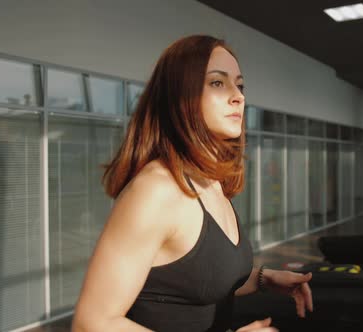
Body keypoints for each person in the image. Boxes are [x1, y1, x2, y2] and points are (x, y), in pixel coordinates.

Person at [72, 35, 313, 332]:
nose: (238, 95)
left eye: (240, 84)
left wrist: (264, 279)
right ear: (179, 96)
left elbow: (198, 281)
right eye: (217, 83)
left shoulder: (211, 183)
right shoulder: (157, 190)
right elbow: (91, 323)